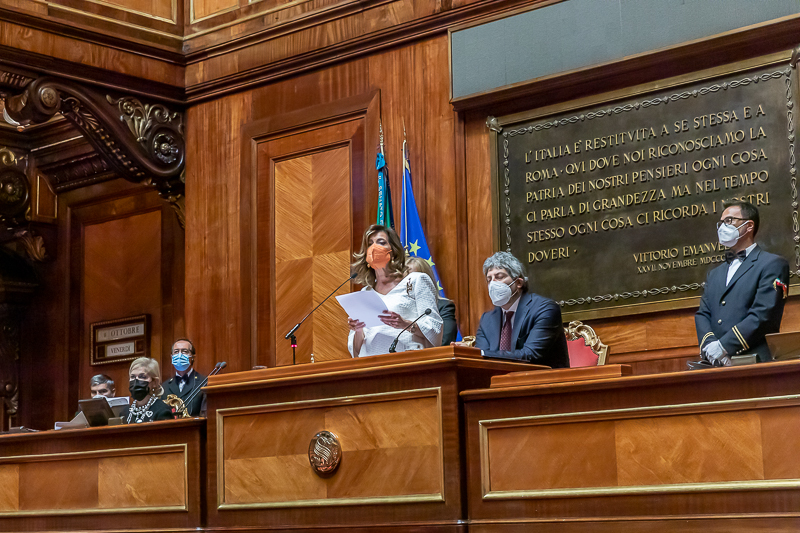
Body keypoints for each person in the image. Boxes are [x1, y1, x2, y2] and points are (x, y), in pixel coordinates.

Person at [695, 200, 789, 366]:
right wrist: (711, 346)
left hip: (755, 362)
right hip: (715, 364)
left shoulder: (772, 264)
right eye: (721, 222)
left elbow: (764, 314)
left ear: (749, 226)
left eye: (729, 221)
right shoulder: (715, 274)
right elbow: (703, 313)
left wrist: (725, 346)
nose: (723, 227)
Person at [453, 251, 569, 368]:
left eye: (499, 277)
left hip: (542, 381)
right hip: (498, 382)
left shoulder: (544, 309)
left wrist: (479, 353)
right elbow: (483, 362)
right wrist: (471, 354)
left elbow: (529, 355)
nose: (493, 284)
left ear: (518, 282)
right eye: (489, 279)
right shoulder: (487, 319)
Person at [348, 225, 443, 357]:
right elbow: (356, 351)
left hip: (408, 362)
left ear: (393, 251)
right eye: (370, 244)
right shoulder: (365, 293)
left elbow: (435, 328)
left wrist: (405, 324)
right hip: (371, 367)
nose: (374, 247)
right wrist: (358, 330)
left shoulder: (416, 281)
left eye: (381, 242)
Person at [406, 256, 457, 346]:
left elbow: (444, 342)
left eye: (414, 278)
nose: (408, 282)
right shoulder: (398, 306)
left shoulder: (443, 306)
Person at [119, 357, 175, 423]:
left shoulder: (162, 411)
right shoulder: (124, 413)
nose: (136, 381)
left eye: (142, 377)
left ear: (154, 382)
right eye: (133, 377)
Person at [161, 339, 206, 417]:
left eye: (184, 351)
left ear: (193, 357)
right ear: (171, 357)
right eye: (176, 351)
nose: (179, 355)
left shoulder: (204, 383)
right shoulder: (164, 387)